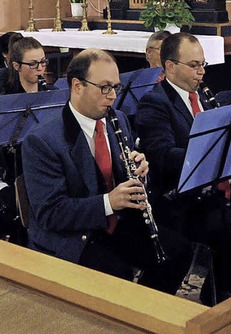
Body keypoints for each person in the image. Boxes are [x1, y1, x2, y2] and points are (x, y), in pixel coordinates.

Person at [21, 48, 192, 294]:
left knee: (177, 251)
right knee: (116, 274)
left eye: (115, 87)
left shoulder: (118, 120)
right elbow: (51, 213)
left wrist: (142, 173)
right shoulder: (42, 141)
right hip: (74, 235)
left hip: (116, 223)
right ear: (77, 86)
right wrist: (108, 202)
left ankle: (144, 315)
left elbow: (129, 181)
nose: (112, 96)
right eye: (104, 87)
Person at [135, 32, 231, 305]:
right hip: (174, 198)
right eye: (194, 65)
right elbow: (161, 155)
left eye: (203, 64)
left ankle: (217, 299)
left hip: (203, 191)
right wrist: (210, 155)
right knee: (222, 231)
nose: (201, 71)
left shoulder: (203, 96)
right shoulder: (155, 102)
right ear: (170, 66)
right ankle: (154, 305)